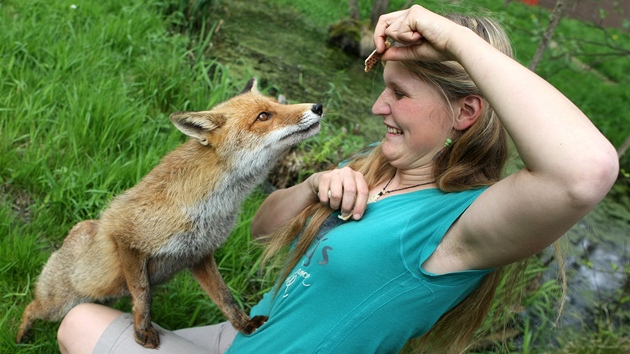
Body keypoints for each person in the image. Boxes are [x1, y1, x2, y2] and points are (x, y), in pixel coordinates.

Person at [57, 5, 618, 354]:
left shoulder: (464, 223)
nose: (378, 106)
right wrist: (309, 187)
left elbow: (584, 172)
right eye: (384, 88)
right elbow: (259, 229)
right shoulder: (380, 165)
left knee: (79, 323)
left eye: (399, 94)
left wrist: (452, 38)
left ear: (465, 113)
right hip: (251, 337)